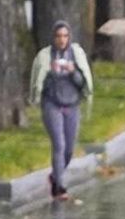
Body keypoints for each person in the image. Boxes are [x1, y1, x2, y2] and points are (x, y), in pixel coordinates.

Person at [29, 21, 93, 201]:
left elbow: (83, 83)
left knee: (69, 149)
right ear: (53, 38)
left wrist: (73, 72)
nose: (62, 40)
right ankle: (59, 187)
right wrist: (52, 72)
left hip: (72, 105)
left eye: (65, 36)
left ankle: (55, 175)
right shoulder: (45, 56)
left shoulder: (76, 54)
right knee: (59, 144)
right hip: (52, 104)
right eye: (58, 36)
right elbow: (38, 83)